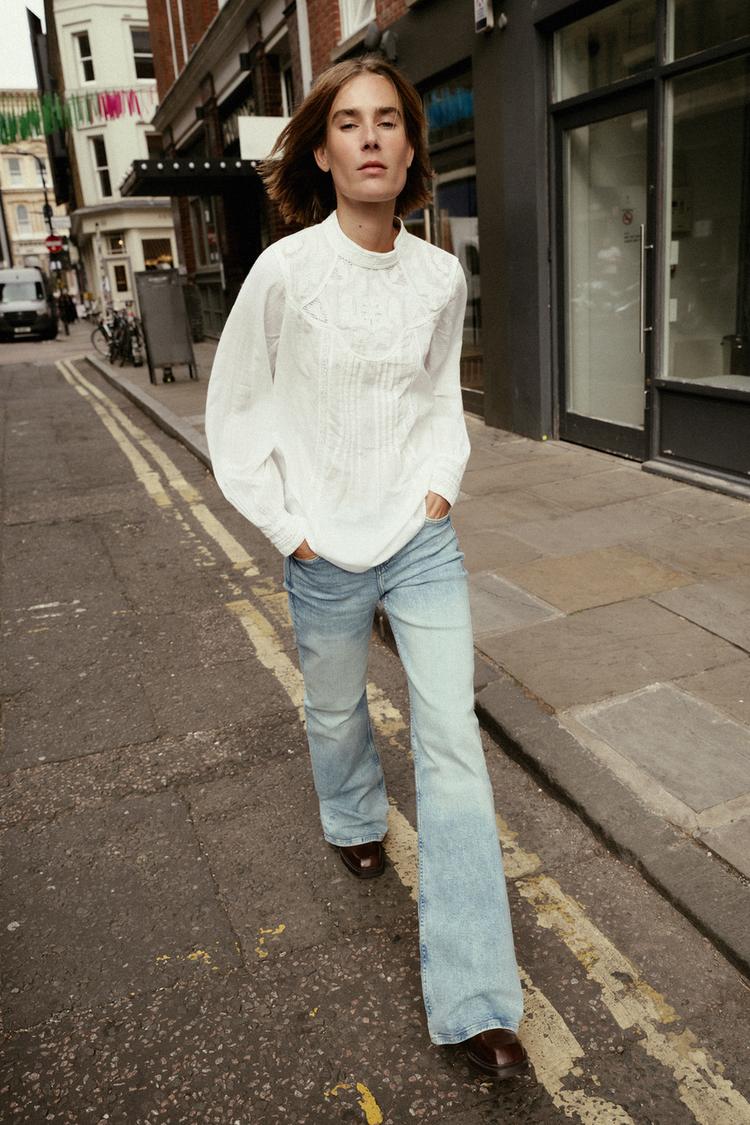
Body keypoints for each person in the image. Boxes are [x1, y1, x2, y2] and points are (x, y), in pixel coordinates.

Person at [205, 55, 527, 1079]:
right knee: (338, 712)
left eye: (390, 120)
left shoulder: (439, 275)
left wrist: (441, 482)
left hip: (421, 538)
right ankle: (350, 815)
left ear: (411, 147)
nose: (373, 137)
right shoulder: (286, 272)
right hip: (323, 546)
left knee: (452, 748)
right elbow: (237, 409)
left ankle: (478, 1002)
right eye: (350, 122)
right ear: (322, 147)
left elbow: (440, 399)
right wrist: (289, 526)